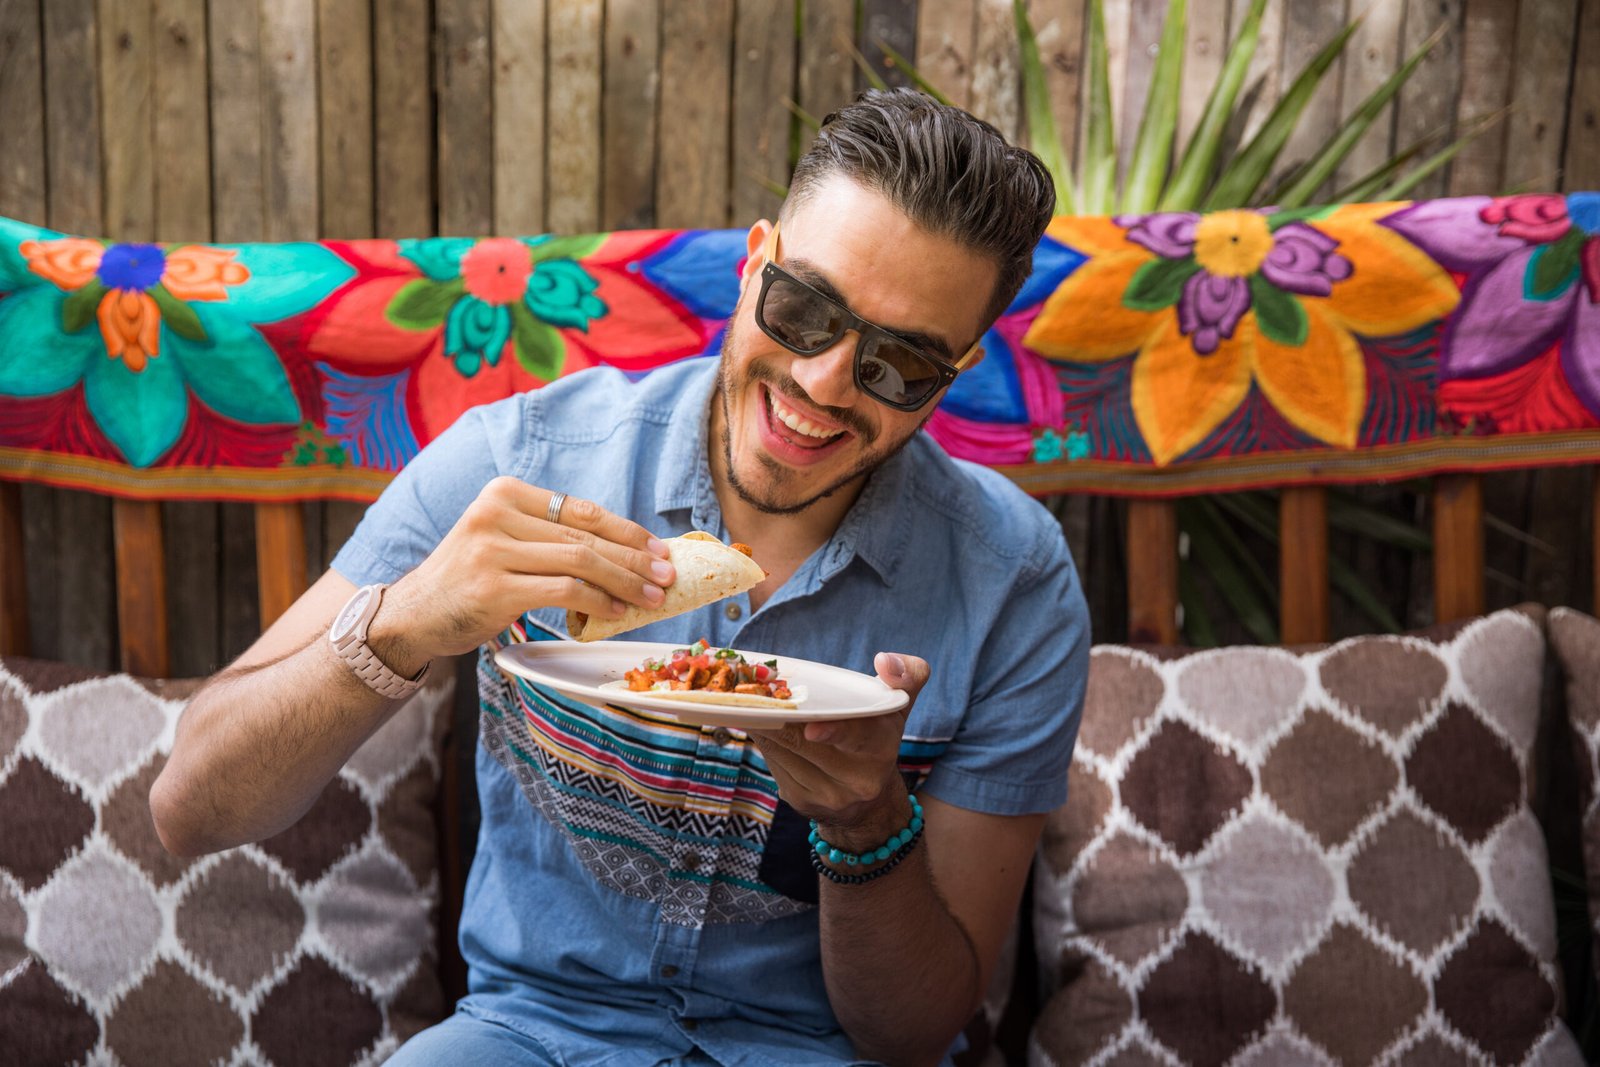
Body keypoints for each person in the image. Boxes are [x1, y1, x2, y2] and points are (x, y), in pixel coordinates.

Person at [151, 88, 1089, 1067]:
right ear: (754, 262)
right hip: (523, 1036)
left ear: (959, 368)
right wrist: (404, 624)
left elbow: (909, 1031)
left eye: (898, 365)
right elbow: (189, 806)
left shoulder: (1014, 580)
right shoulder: (517, 462)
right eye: (804, 309)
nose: (822, 383)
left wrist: (864, 824)